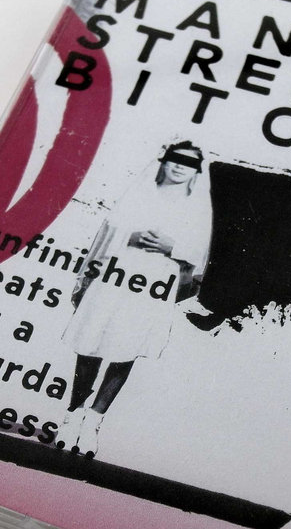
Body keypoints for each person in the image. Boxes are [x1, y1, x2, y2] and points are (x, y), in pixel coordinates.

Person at [57, 141, 213, 458]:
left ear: (196, 171)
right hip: (114, 276)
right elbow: (106, 235)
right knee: (90, 345)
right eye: (175, 159)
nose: (180, 166)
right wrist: (130, 238)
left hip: (154, 283)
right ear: (164, 161)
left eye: (189, 163)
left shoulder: (196, 208)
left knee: (125, 350)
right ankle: (73, 415)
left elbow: (199, 252)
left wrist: (172, 246)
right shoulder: (140, 193)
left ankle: (93, 422)